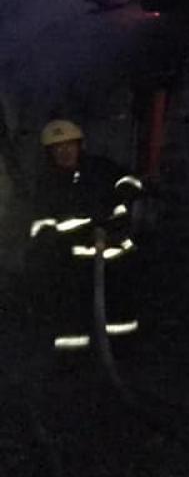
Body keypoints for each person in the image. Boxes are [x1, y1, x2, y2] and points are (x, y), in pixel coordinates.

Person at [27, 119, 143, 356]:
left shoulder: (101, 168)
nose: (65, 152)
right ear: (50, 153)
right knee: (73, 319)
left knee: (119, 314)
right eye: (58, 148)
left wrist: (125, 192)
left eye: (69, 145)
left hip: (115, 258)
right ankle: (74, 361)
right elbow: (42, 226)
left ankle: (123, 355)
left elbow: (131, 181)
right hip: (74, 265)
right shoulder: (47, 183)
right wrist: (63, 235)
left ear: (80, 146)